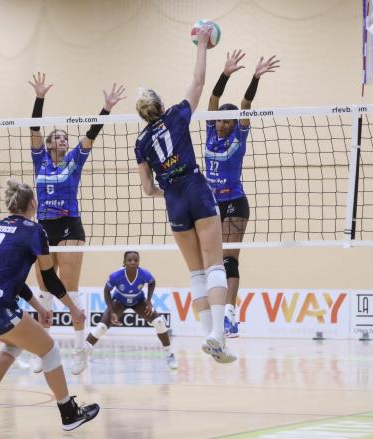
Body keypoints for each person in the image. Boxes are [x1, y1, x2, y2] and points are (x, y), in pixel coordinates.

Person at [133, 25, 236, 364]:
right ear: (160, 104)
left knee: (195, 272)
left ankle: (208, 334)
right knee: (214, 265)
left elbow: (148, 189)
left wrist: (168, 190)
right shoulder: (177, 115)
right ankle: (217, 334)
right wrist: (202, 45)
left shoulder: (141, 143)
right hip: (197, 190)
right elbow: (199, 81)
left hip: (175, 200)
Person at [0, 179, 99, 431]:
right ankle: (69, 414)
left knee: (14, 342)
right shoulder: (35, 231)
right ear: (34, 203)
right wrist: (73, 309)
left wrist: (39, 308)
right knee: (49, 350)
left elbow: (11, 278)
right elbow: (49, 277)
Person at [27, 72, 126, 374]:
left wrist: (106, 108)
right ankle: (42, 351)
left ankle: (80, 349)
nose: (63, 139)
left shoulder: (74, 159)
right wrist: (40, 97)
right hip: (43, 226)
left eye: (65, 138)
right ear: (48, 143)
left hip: (69, 225)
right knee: (44, 292)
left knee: (69, 288)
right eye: (57, 137)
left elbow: (92, 134)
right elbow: (33, 127)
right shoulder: (40, 159)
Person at [205, 50, 280, 337]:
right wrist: (225, 73)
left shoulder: (239, 135)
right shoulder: (211, 132)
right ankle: (217, 313)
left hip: (235, 202)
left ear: (236, 123)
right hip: (210, 205)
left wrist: (255, 77)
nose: (224, 123)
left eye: (229, 120)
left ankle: (230, 315)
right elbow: (212, 101)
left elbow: (246, 103)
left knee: (228, 260)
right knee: (212, 263)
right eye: (221, 120)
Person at [72, 251, 178, 375]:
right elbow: (106, 292)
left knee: (159, 322)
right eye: (129, 260)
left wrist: (149, 301)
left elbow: (152, 282)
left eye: (135, 260)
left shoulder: (144, 273)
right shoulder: (116, 275)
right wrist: (112, 311)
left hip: (138, 301)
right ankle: (81, 357)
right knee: (101, 328)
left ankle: (169, 354)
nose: (133, 262)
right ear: (124, 262)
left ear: (139, 262)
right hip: (119, 301)